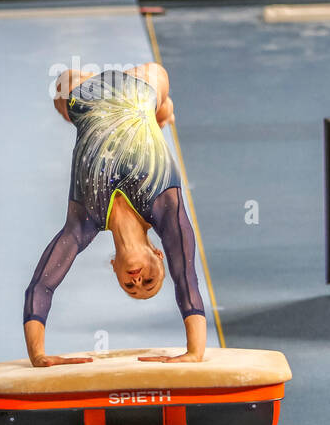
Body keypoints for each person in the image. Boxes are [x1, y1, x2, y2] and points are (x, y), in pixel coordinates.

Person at [22, 63, 206, 368]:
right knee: (157, 92)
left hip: (85, 96)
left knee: (62, 86)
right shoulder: (165, 209)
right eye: (149, 282)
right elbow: (186, 278)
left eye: (130, 286)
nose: (138, 281)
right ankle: (163, 114)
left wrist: (38, 355)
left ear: (114, 269)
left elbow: (41, 285)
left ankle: (158, 116)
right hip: (141, 84)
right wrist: (195, 352)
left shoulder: (84, 223)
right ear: (159, 255)